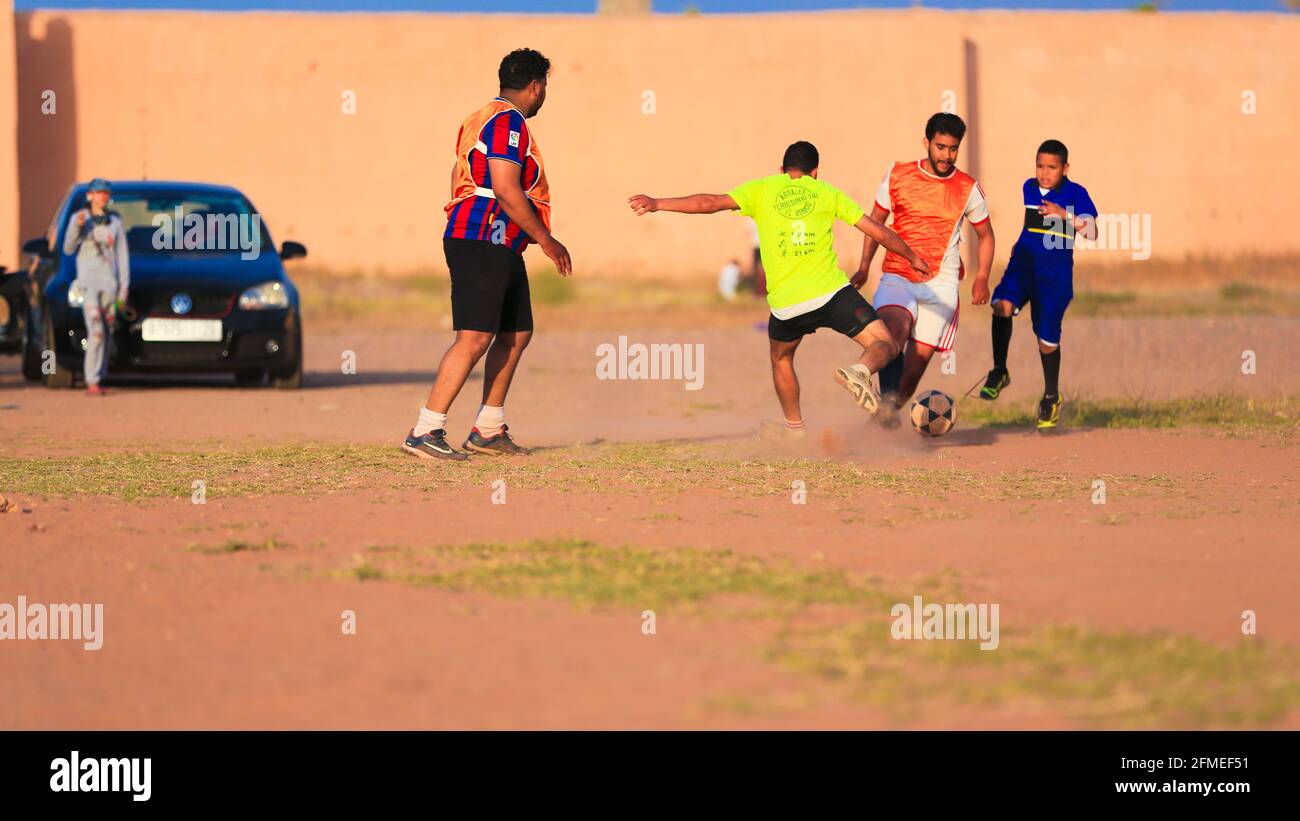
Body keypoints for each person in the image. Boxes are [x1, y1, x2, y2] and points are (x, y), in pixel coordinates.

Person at [629, 141, 929, 436]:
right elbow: (877, 230)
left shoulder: (762, 188)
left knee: (781, 358)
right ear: (815, 173)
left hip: (788, 306)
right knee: (885, 343)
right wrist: (912, 256)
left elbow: (709, 203)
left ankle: (794, 430)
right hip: (831, 294)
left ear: (782, 169)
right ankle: (861, 371)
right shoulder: (828, 192)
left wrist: (657, 204)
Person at [403, 48, 572, 461]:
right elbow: (505, 187)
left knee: (516, 333)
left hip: (499, 240)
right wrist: (547, 239)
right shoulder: (507, 122)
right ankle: (426, 429)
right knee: (475, 336)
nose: (544, 93)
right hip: (482, 237)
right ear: (536, 86)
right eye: (545, 86)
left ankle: (489, 429)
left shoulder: (480, 117)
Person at [853, 113, 995, 427]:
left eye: (953, 148)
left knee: (913, 370)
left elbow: (986, 235)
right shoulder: (898, 174)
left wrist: (982, 277)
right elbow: (874, 223)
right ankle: (866, 385)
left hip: (942, 285)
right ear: (926, 143)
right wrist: (864, 267)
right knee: (894, 331)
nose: (947, 155)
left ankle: (885, 418)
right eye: (941, 146)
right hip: (898, 274)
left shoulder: (967, 188)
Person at [979, 139, 1098, 431]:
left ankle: (1050, 397)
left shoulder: (1076, 193)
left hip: (1054, 279)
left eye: (1052, 167)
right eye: (1040, 165)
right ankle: (999, 370)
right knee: (1001, 306)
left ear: (1065, 168)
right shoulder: (1028, 187)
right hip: (1022, 266)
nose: (1044, 172)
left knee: (1046, 342)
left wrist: (1064, 215)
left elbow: (1093, 231)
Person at [62, 178, 130, 397]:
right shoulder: (80, 219)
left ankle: (100, 377)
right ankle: (91, 380)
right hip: (88, 286)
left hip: (110, 287)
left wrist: (123, 291)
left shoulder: (115, 222)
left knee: (107, 333)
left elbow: (122, 258)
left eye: (105, 193)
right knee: (96, 331)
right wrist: (77, 226)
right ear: (90, 195)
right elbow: (69, 248)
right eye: (98, 192)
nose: (102, 196)